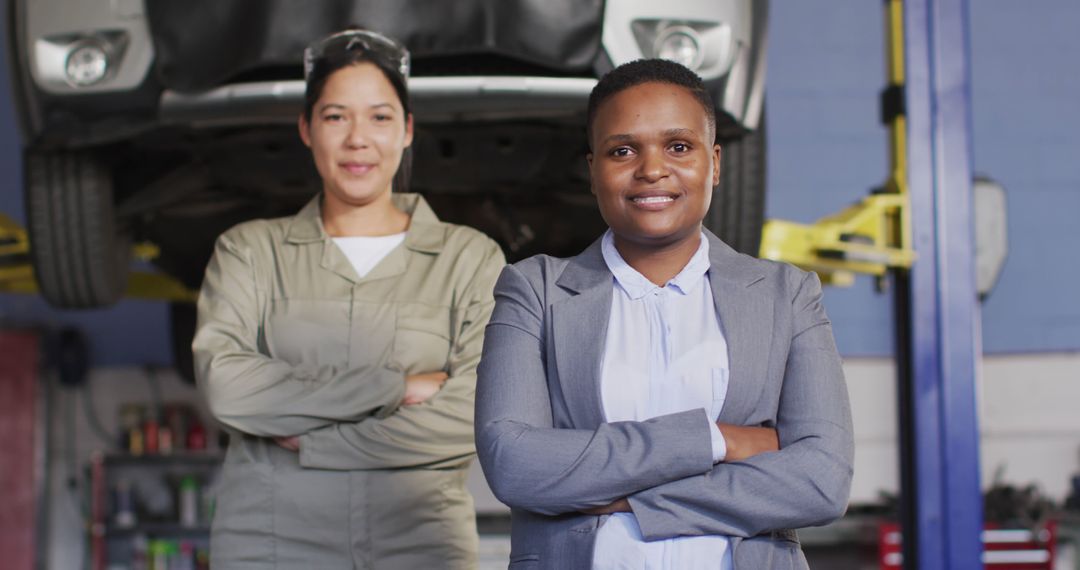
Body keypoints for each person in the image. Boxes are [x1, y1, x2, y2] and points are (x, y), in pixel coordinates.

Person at [475, 59, 854, 570]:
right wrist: (718, 440)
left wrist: (624, 499)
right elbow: (515, 467)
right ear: (593, 170)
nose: (652, 168)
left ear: (715, 163)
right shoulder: (535, 291)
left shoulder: (786, 295)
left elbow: (821, 482)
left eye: (678, 146)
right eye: (622, 150)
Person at [193, 29, 505, 568]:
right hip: (269, 545)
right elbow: (228, 390)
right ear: (306, 129)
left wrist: (318, 444)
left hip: (420, 546)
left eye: (380, 117)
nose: (358, 138)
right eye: (336, 116)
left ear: (407, 131)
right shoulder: (249, 251)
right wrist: (396, 387)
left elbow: (478, 415)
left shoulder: (469, 258)